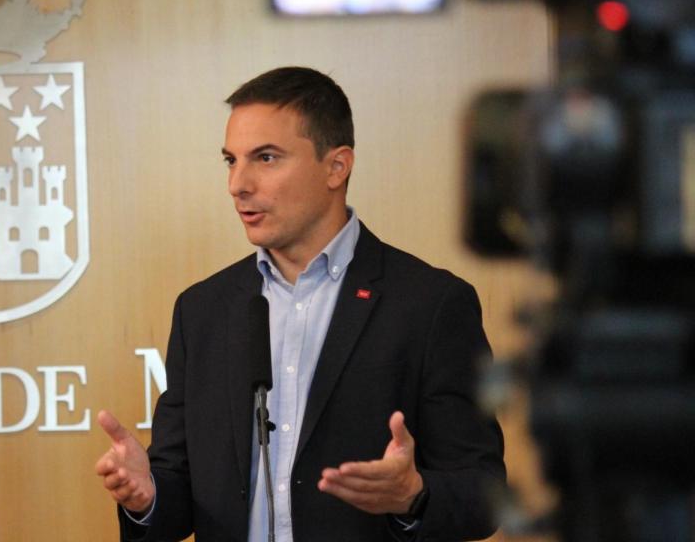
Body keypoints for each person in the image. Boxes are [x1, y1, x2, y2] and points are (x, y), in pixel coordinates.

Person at [95, 67, 505, 541]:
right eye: (231, 160)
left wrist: (413, 495)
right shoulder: (202, 311)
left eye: (265, 158)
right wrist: (148, 497)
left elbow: (481, 493)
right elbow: (178, 488)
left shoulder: (429, 305)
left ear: (337, 166)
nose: (238, 184)